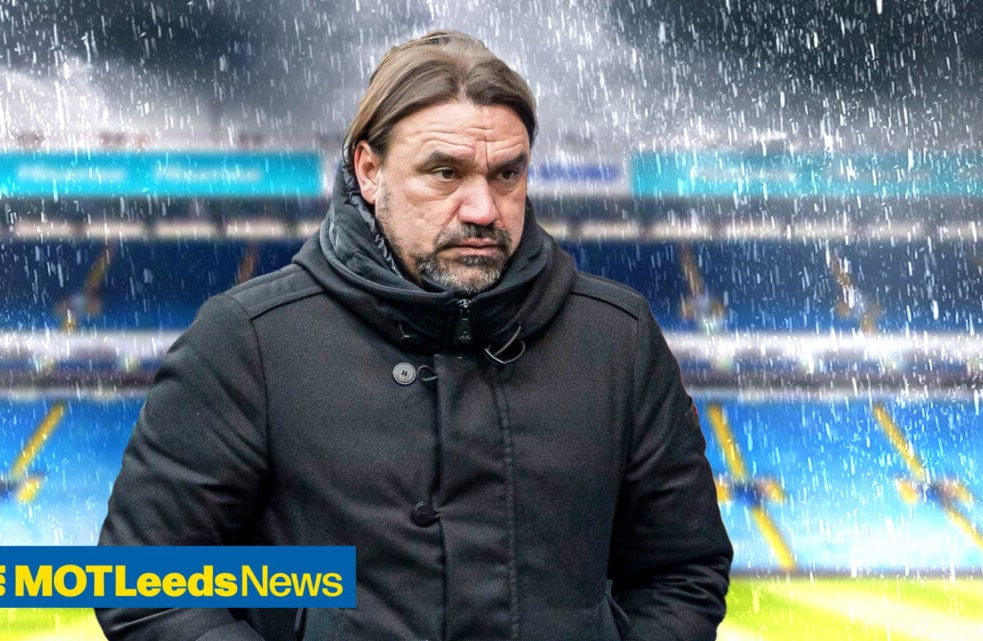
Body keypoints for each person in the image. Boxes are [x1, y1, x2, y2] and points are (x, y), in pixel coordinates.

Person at [97, 30, 732, 641]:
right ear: (368, 171)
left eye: (507, 175)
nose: (483, 209)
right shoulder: (247, 342)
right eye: (445, 173)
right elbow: (149, 586)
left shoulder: (616, 339)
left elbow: (680, 571)